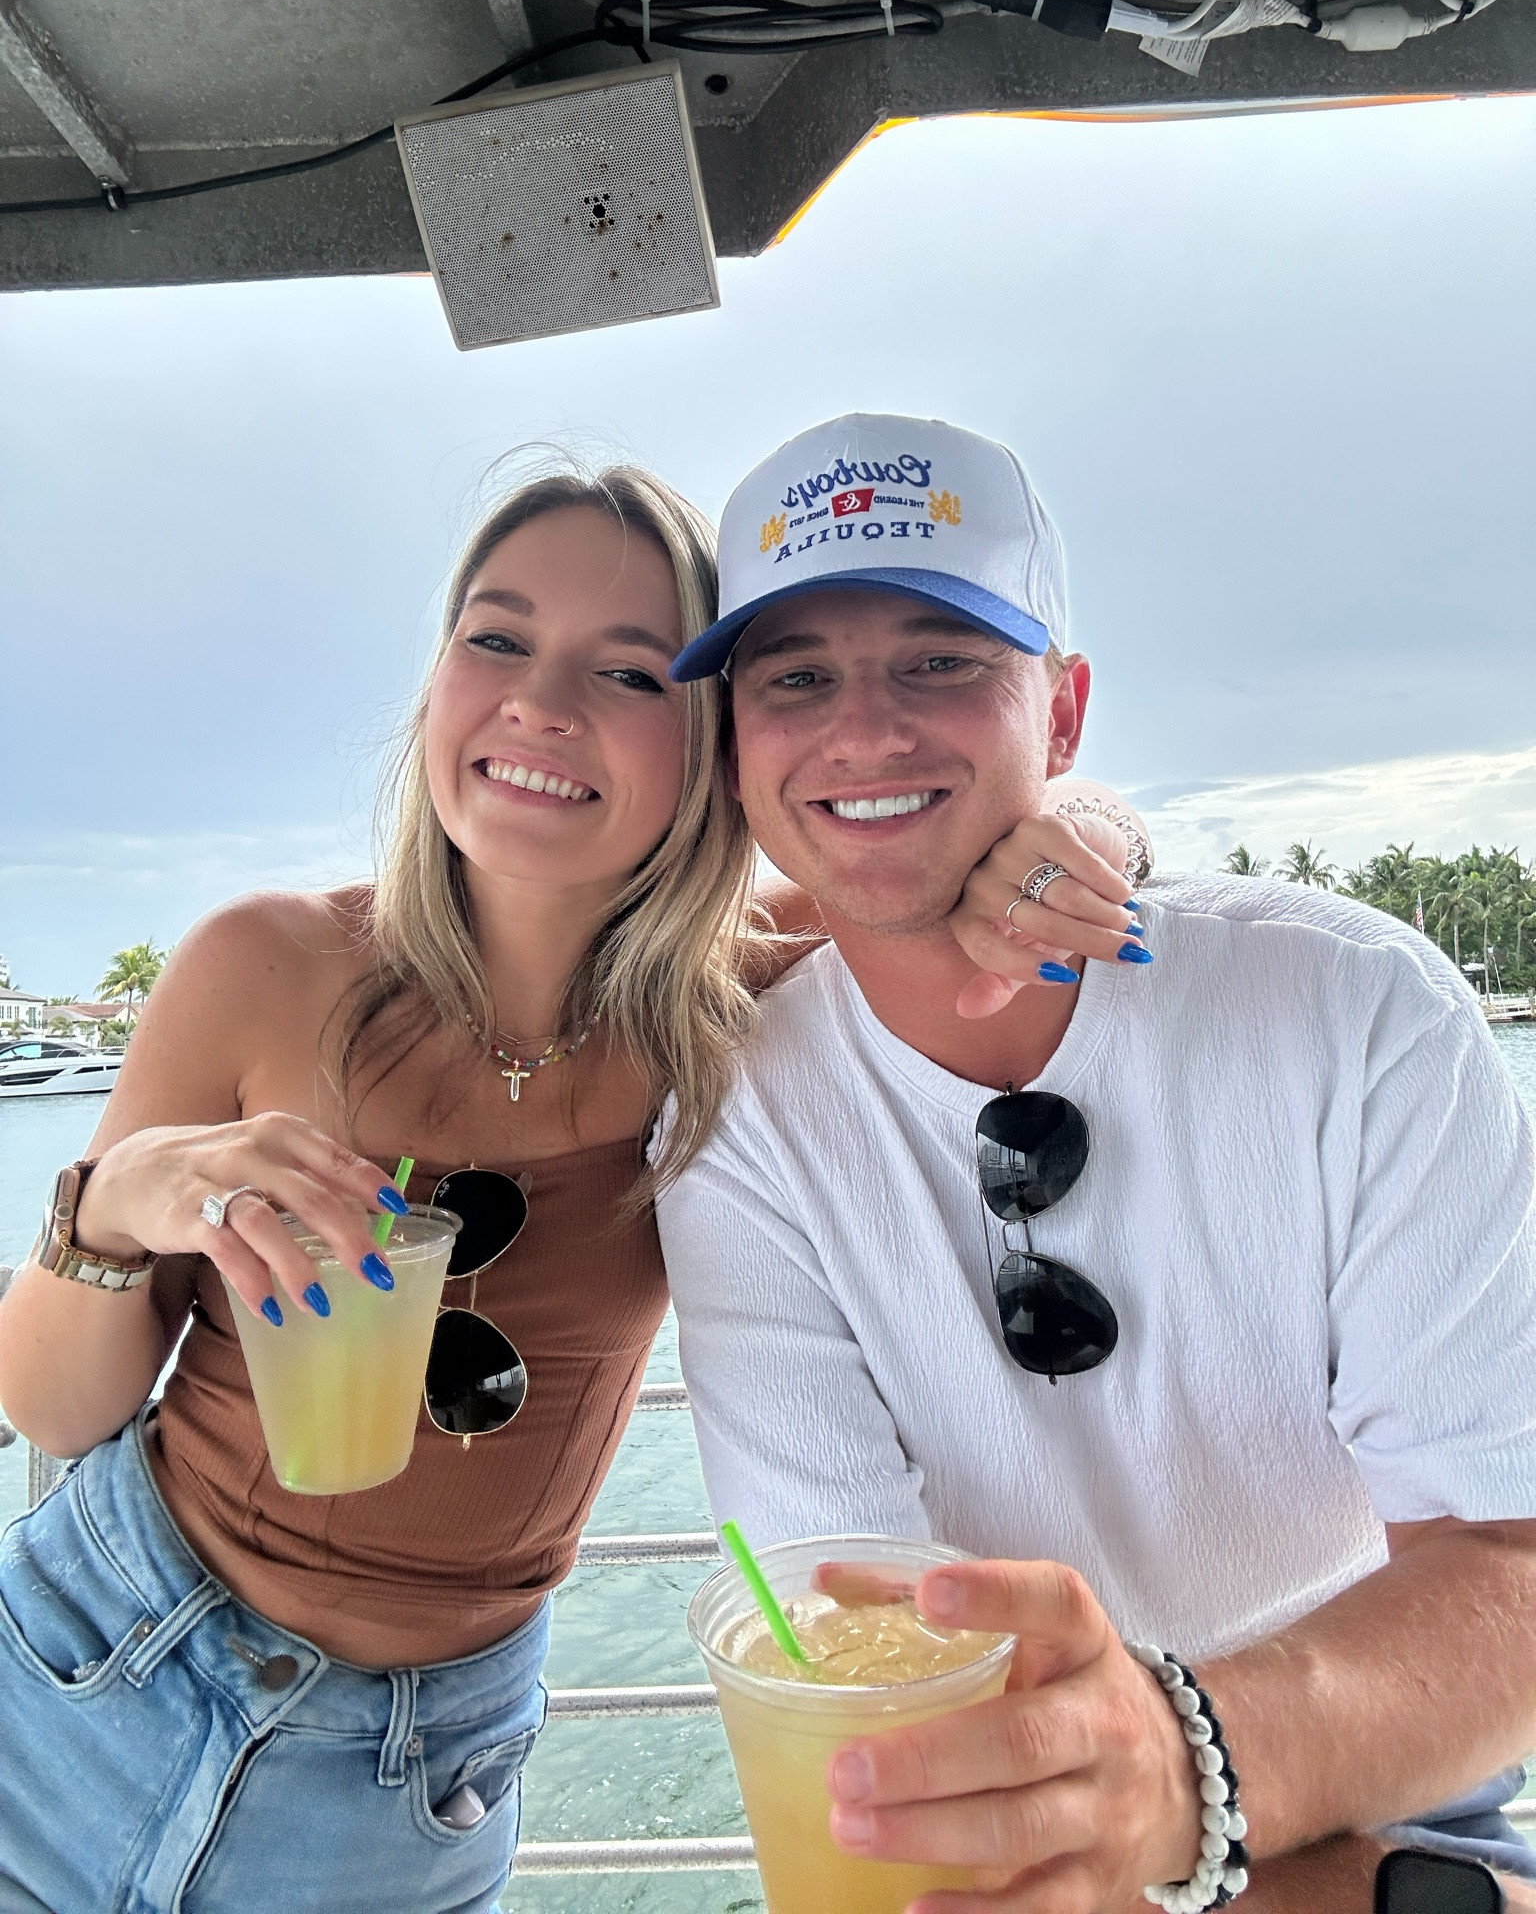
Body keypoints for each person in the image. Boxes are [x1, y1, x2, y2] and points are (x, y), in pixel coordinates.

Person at [0, 457, 1146, 1914]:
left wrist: (1090, 833)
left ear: (710, 743)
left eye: (625, 671)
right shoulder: (262, 966)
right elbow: (53, 1411)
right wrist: (118, 1204)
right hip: (83, 1666)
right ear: (437, 683)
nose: (541, 704)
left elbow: (985, 829)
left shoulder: (742, 996)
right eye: (496, 639)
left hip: (407, 1773)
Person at [658, 412, 1536, 1913]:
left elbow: (1506, 1559)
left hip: (1385, 1748)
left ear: (1059, 715)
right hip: (1000, 1815)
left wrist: (1195, 1764)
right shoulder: (734, 1128)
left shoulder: (1352, 1005)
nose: (865, 730)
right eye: (795, 678)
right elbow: (847, 1636)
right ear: (736, 752)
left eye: (941, 660)